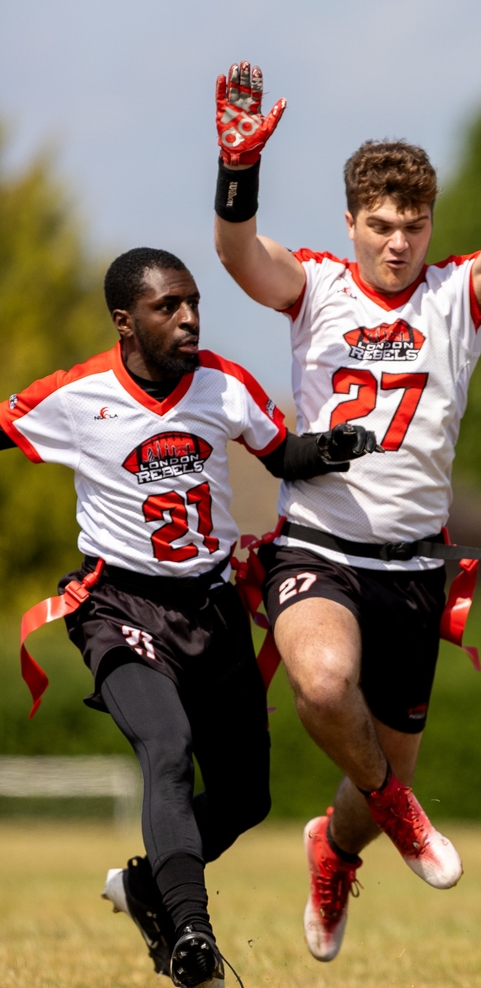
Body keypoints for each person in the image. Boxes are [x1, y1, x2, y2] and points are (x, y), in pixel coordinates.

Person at [209, 30, 481, 961]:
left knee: (369, 778)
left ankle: (338, 846)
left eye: (413, 226)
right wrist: (237, 167)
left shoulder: (457, 298)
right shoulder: (317, 285)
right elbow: (239, 254)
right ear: (354, 220)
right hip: (318, 546)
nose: (398, 244)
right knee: (323, 687)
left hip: (414, 565)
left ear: (430, 227)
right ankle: (401, 813)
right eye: (381, 226)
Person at [2, 248, 378, 988]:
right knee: (166, 747)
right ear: (125, 321)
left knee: (246, 797)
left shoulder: (224, 385)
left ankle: (148, 888)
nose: (188, 319)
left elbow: (282, 454)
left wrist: (327, 449)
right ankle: (192, 937)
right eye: (168, 307)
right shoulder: (75, 395)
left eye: (194, 303)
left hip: (210, 608)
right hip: (118, 606)